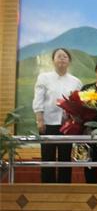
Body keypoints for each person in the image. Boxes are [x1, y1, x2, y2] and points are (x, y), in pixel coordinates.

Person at [32, 48, 82, 183]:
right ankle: (47, 189)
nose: (62, 59)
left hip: (67, 125)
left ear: (69, 61)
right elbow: (38, 100)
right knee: (47, 157)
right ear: (53, 60)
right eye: (59, 56)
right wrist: (39, 119)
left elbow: (78, 103)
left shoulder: (75, 81)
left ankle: (64, 188)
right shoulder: (44, 77)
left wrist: (76, 119)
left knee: (65, 158)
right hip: (48, 123)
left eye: (65, 57)